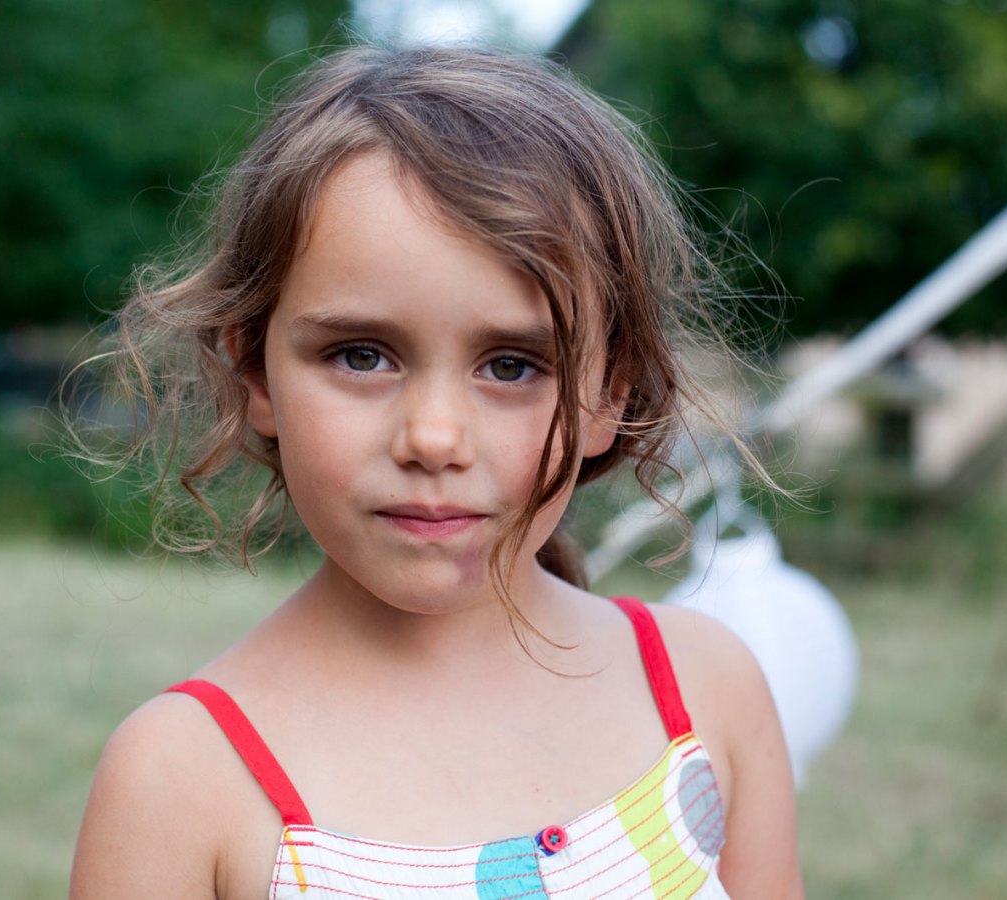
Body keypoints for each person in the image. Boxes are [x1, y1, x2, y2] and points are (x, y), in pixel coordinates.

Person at [69, 45, 804, 899]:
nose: (433, 437)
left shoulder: (710, 692)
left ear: (615, 390)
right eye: (362, 355)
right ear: (255, 373)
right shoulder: (182, 779)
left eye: (512, 365)